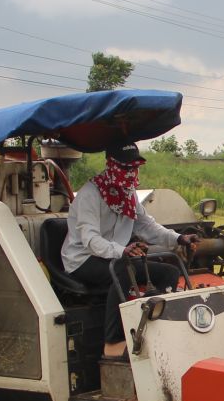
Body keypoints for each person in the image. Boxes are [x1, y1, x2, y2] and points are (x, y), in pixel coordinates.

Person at [61, 143, 198, 358]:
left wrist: (179, 238)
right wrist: (123, 251)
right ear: (111, 166)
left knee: (169, 273)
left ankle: (156, 329)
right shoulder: (90, 195)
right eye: (125, 168)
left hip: (117, 257)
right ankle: (113, 344)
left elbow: (147, 226)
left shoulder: (128, 195)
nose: (131, 174)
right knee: (123, 271)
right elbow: (90, 240)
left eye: (134, 168)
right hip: (83, 259)